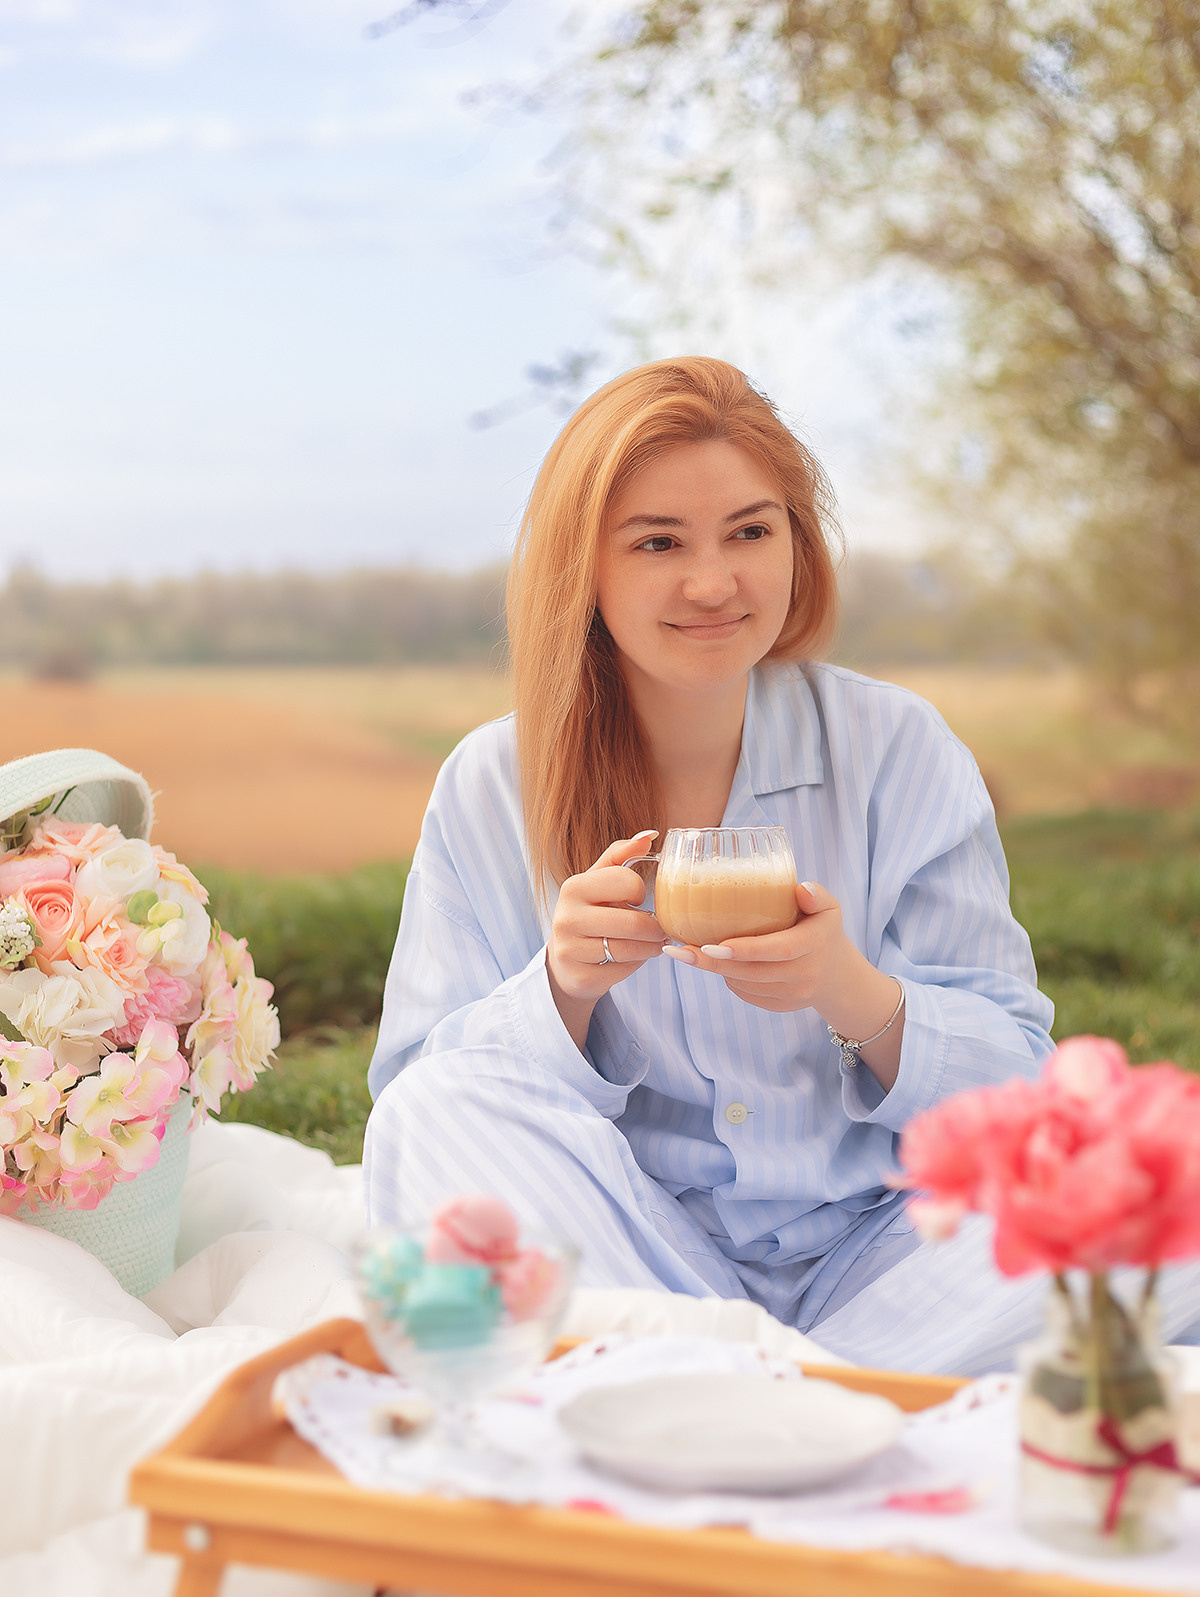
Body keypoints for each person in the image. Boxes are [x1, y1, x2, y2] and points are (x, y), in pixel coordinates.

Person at [364, 357, 1200, 1374]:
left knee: (1160, 1195)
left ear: (797, 545)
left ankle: (729, 1383)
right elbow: (418, 1104)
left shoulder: (897, 746)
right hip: (640, 1245)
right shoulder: (493, 782)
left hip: (896, 1251)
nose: (714, 583)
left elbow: (1022, 1087)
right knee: (436, 1109)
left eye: (751, 532)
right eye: (658, 542)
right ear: (582, 566)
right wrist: (562, 989)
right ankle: (828, 1392)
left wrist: (854, 994)